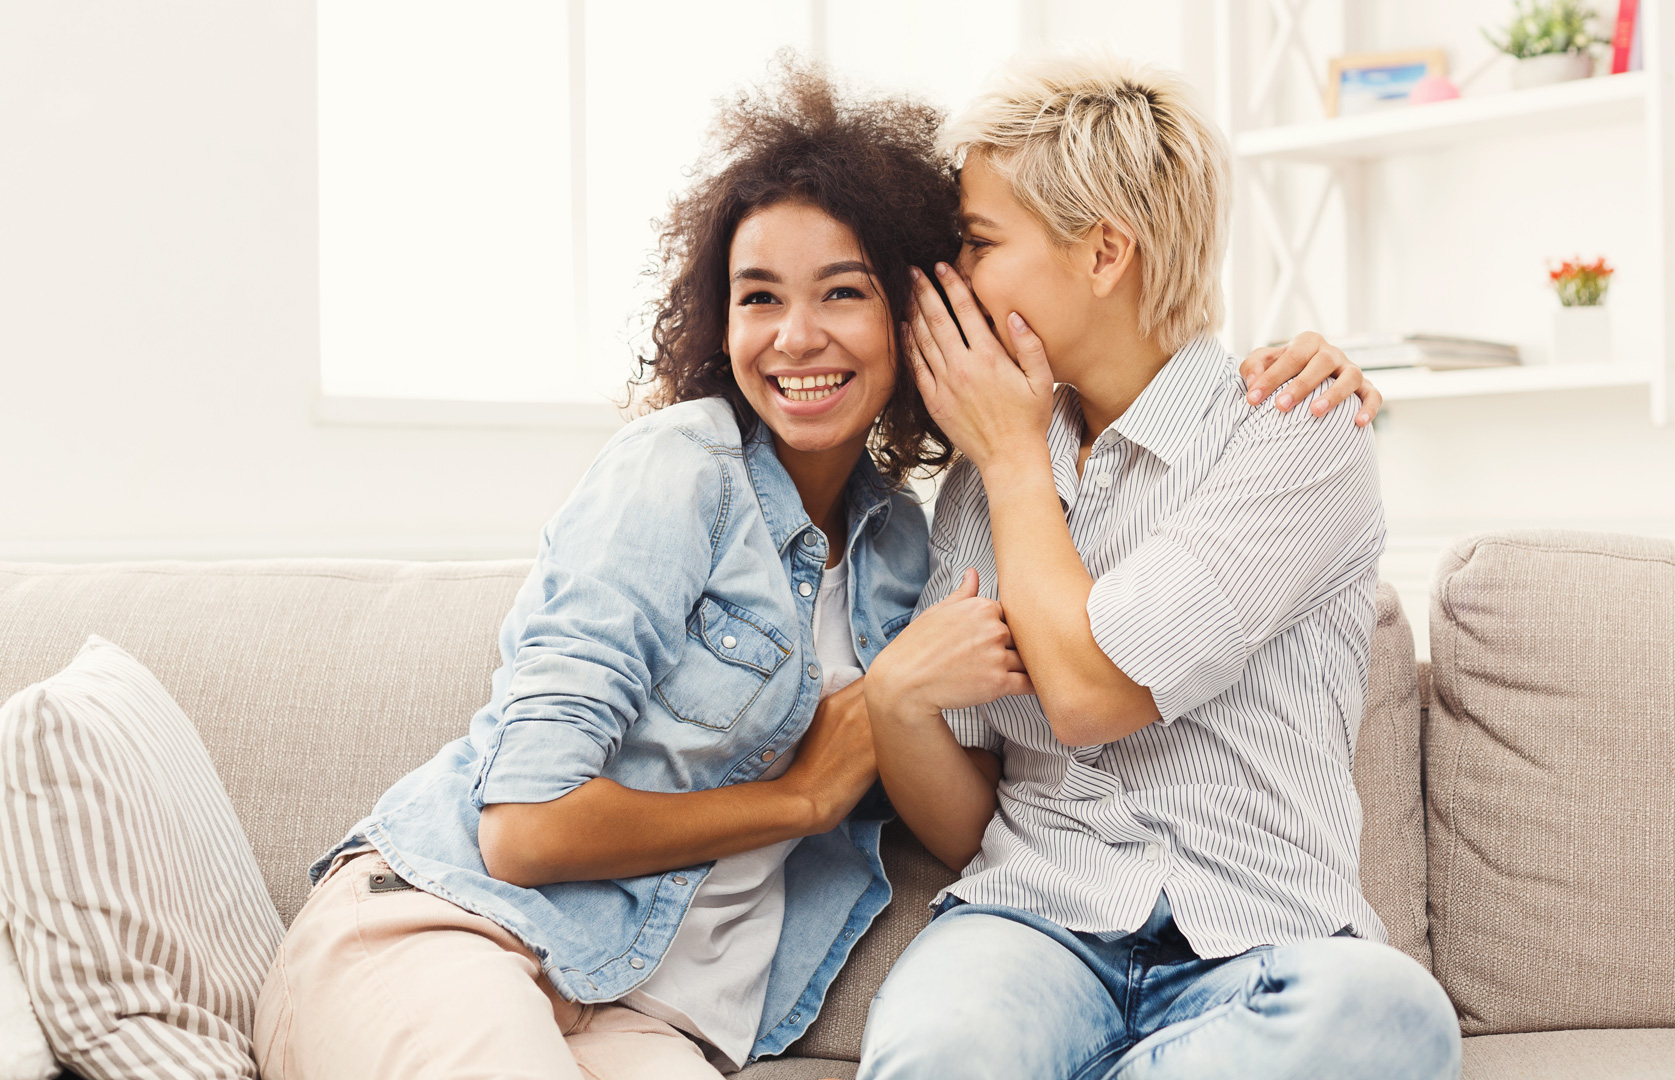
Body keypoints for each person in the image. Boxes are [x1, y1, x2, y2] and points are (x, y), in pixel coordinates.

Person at [251, 59, 1378, 1080]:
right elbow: (522, 830)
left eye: (849, 291)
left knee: (1384, 1020)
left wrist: (999, 483)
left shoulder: (918, 527)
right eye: (759, 298)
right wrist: (824, 768)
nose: (800, 336)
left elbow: (1044, 726)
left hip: (652, 1006)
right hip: (459, 923)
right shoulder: (689, 468)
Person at [860, 55, 1462, 1080]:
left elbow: (1094, 694)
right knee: (938, 1050)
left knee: (1396, 1017)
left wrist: (1011, 459)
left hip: (1265, 940)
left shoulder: (1294, 434)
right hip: (1035, 929)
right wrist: (894, 706)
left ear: (1104, 253)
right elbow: (974, 808)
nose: (949, 280)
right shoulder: (978, 475)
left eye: (977, 242)